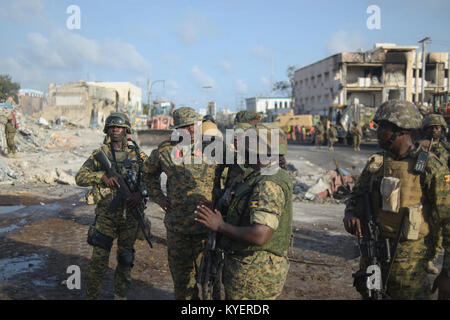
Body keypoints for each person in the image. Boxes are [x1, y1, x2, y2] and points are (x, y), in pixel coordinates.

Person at [343, 100, 450, 300]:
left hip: (410, 268)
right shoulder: (377, 163)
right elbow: (357, 194)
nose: (377, 131)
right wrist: (351, 213)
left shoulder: (430, 167)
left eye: (383, 127)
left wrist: (447, 273)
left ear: (401, 130)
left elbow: (448, 221)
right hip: (373, 257)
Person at [195, 123, 293, 300]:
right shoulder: (256, 175)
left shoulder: (268, 184)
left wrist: (220, 226)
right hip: (246, 270)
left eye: (246, 150)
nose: (241, 154)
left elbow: (260, 235)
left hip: (255, 275)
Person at [142, 107, 217, 300]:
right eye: (186, 127)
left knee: (210, 282)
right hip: (178, 229)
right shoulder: (165, 150)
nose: (191, 131)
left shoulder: (214, 148)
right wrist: (159, 198)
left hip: (207, 228)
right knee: (183, 284)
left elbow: (230, 178)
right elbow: (148, 174)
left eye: (195, 126)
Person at [75, 112, 147, 300]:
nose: (116, 130)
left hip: (130, 216)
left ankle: (120, 296)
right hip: (107, 215)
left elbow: (151, 179)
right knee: (99, 259)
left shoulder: (138, 155)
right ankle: (91, 296)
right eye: (112, 127)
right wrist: (101, 177)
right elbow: (80, 177)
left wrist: (140, 194)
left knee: (125, 260)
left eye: (120, 127)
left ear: (126, 130)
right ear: (107, 130)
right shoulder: (100, 154)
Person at [418, 114, 449, 274]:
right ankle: (425, 258)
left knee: (439, 230)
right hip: (425, 193)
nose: (434, 130)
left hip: (443, 192)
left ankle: (431, 257)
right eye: (431, 127)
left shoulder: (445, 148)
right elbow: (418, 168)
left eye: (437, 128)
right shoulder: (421, 148)